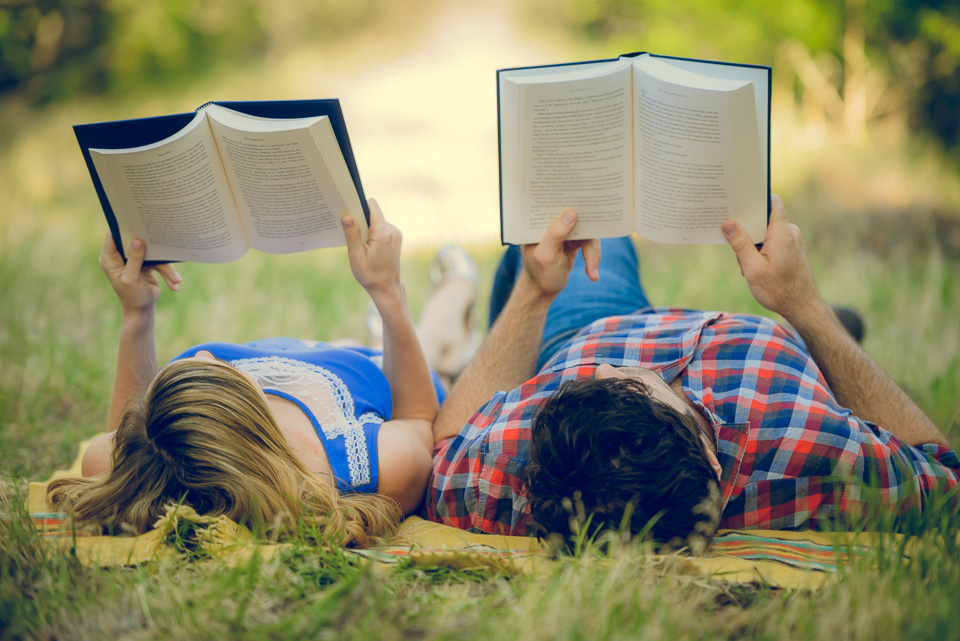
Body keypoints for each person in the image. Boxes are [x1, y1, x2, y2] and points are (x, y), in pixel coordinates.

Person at [427, 197, 960, 553]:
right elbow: (944, 475)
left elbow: (446, 444)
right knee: (839, 356)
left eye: (606, 377)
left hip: (586, 328)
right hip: (779, 353)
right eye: (635, 378)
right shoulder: (815, 444)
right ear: (709, 456)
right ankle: (828, 343)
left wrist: (534, 293)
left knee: (578, 232)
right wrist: (805, 306)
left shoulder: (527, 459)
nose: (612, 364)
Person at [49, 200, 475, 548]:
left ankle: (383, 331)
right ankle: (452, 304)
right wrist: (389, 292)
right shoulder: (367, 462)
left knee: (359, 341)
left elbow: (128, 433)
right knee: (432, 341)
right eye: (214, 371)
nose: (207, 355)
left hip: (318, 359)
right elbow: (418, 417)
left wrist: (136, 312)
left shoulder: (144, 454)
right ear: (251, 416)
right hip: (382, 371)